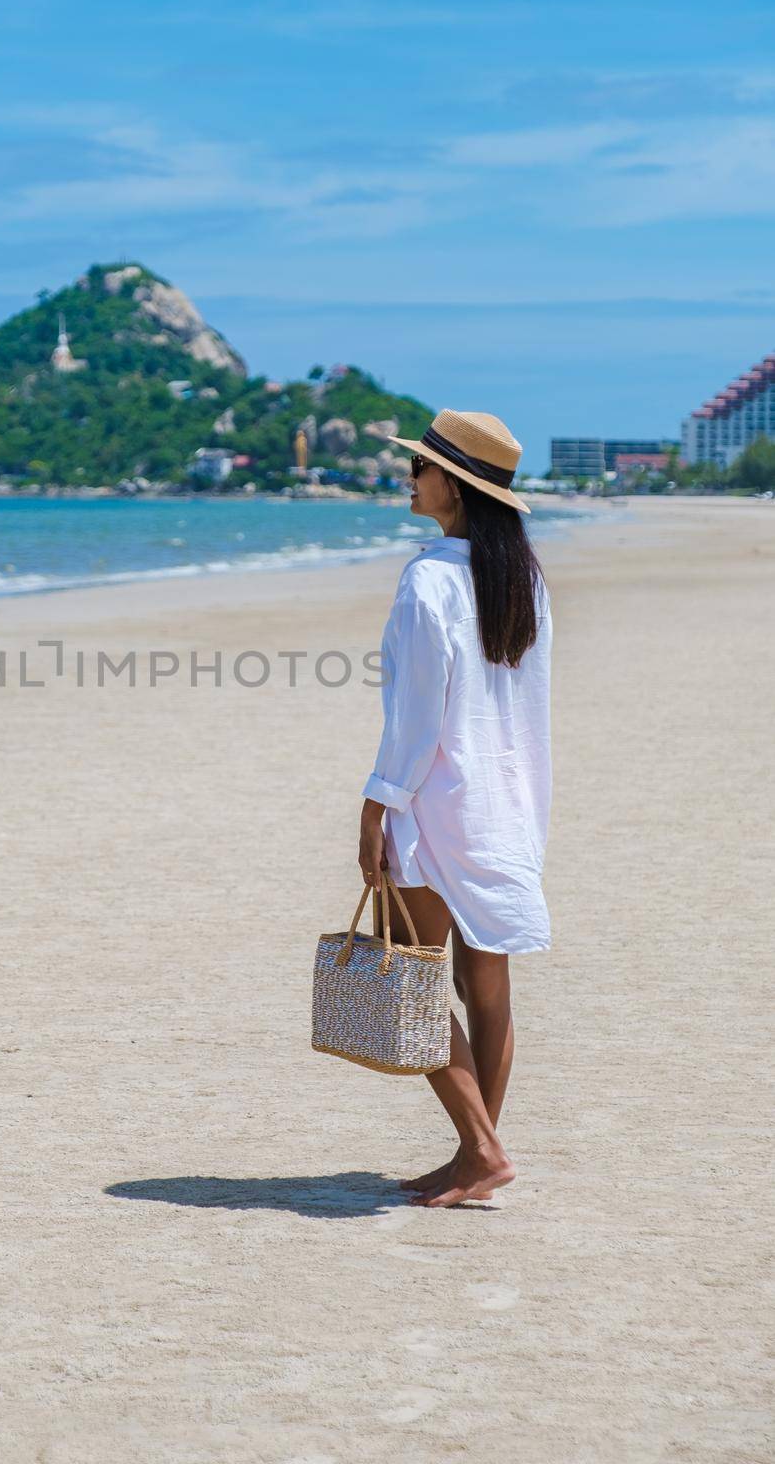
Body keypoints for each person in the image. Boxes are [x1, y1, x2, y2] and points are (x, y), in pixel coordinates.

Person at [359, 410, 552, 1208]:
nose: (412, 477)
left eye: (421, 467)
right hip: (508, 805)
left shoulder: (430, 579)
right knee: (487, 990)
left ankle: (479, 1150)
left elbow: (417, 716)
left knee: (407, 979)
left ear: (454, 486)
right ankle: (479, 1159)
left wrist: (377, 806)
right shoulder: (524, 580)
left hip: (436, 803)